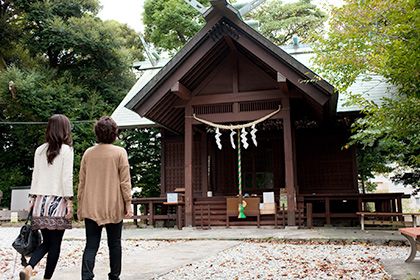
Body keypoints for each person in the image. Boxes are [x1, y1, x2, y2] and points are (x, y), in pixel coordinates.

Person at [77, 116, 132, 280]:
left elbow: (82, 182)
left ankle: (87, 277)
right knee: (114, 244)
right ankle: (114, 277)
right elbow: (125, 182)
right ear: (114, 133)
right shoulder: (120, 152)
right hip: (113, 206)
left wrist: (80, 207)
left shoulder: (88, 153)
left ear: (97, 133)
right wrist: (128, 204)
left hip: (92, 206)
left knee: (91, 245)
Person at [20, 114, 74, 280]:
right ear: (65, 129)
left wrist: (31, 199)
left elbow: (35, 176)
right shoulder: (66, 150)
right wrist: (70, 202)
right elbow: (66, 178)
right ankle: (47, 278)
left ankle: (29, 267)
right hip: (57, 202)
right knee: (55, 244)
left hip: (40, 202)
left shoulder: (40, 150)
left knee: (47, 242)